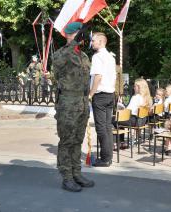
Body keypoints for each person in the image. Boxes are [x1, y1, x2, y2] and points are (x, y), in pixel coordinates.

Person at [53, 22, 94, 192]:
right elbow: (57, 70)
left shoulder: (83, 56)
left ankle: (76, 173)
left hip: (82, 103)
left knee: (78, 140)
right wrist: (72, 43)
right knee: (67, 141)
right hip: (68, 104)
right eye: (79, 33)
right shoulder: (61, 54)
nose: (83, 36)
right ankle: (67, 177)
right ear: (71, 34)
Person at [89, 32, 117, 167]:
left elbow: (97, 77)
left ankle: (105, 159)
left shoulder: (97, 57)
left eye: (93, 40)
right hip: (110, 94)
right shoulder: (111, 57)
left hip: (100, 95)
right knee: (107, 127)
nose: (91, 42)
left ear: (101, 42)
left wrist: (91, 94)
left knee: (101, 128)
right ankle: (108, 157)